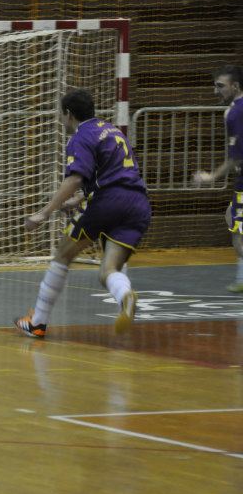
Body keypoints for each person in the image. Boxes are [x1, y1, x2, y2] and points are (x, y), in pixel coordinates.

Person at [15, 89, 151, 338]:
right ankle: (125, 295)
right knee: (108, 270)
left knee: (62, 255)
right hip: (138, 204)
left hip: (108, 202)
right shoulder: (111, 130)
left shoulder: (81, 136)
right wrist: (79, 199)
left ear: (68, 114)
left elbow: (75, 179)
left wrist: (44, 213)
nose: (60, 119)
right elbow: (113, 172)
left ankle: (38, 322)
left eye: (60, 114)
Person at [191, 64, 243, 293]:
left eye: (221, 86)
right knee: (232, 217)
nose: (216, 91)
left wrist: (210, 176)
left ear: (236, 86)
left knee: (238, 233)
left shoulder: (236, 113)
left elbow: (235, 157)